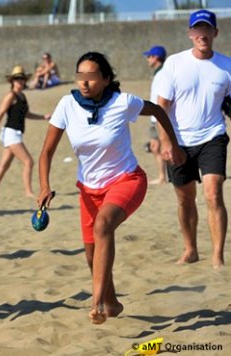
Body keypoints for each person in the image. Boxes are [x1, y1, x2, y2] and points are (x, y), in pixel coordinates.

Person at [37, 52, 184, 325]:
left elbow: (159, 111)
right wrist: (45, 185)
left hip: (126, 180)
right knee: (92, 257)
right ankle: (113, 302)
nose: (84, 83)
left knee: (103, 225)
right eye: (80, 76)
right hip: (88, 190)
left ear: (105, 79)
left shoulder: (123, 102)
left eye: (91, 77)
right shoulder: (67, 105)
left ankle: (96, 303)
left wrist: (171, 144)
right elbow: (46, 152)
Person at [157, 9, 231, 268]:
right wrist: (166, 142)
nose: (202, 34)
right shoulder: (175, 64)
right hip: (179, 140)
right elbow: (161, 106)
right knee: (185, 198)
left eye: (207, 29)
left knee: (213, 194)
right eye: (197, 30)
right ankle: (191, 249)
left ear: (215, 33)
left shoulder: (227, 66)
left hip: (213, 136)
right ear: (190, 34)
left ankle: (217, 256)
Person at [0, 65, 50, 199]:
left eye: (22, 79)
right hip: (11, 133)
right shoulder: (11, 96)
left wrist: (43, 117)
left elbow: (26, 114)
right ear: (12, 81)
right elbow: (0, 113)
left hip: (17, 133)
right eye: (17, 79)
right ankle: (28, 191)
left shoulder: (22, 96)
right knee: (29, 162)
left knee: (4, 164)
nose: (20, 82)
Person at [142, 45, 167, 185]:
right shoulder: (159, 73)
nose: (147, 59)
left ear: (156, 57)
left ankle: (163, 176)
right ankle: (163, 176)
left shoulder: (162, 74)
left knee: (157, 146)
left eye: (149, 56)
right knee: (155, 146)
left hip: (157, 116)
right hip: (155, 116)